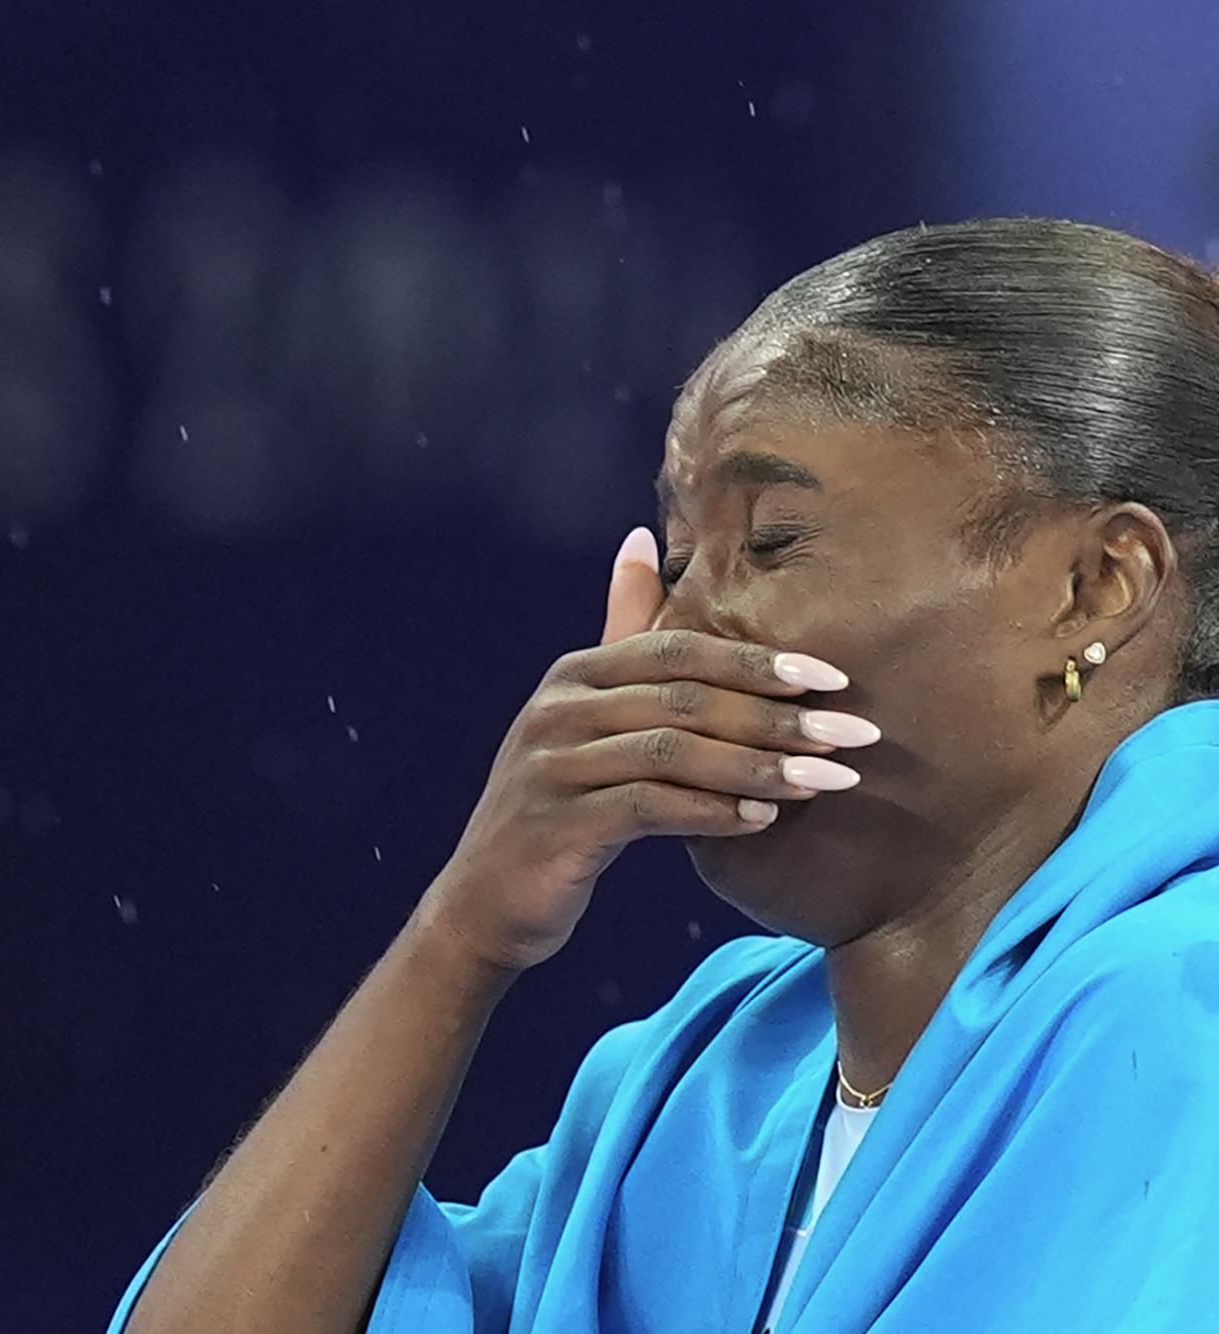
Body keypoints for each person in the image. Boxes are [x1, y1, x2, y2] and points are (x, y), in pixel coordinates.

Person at [104, 217, 1219, 1334]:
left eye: (773, 539)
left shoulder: (1184, 999)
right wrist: (464, 931)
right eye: (675, 558)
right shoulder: (708, 1082)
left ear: (1091, 587)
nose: (670, 629)